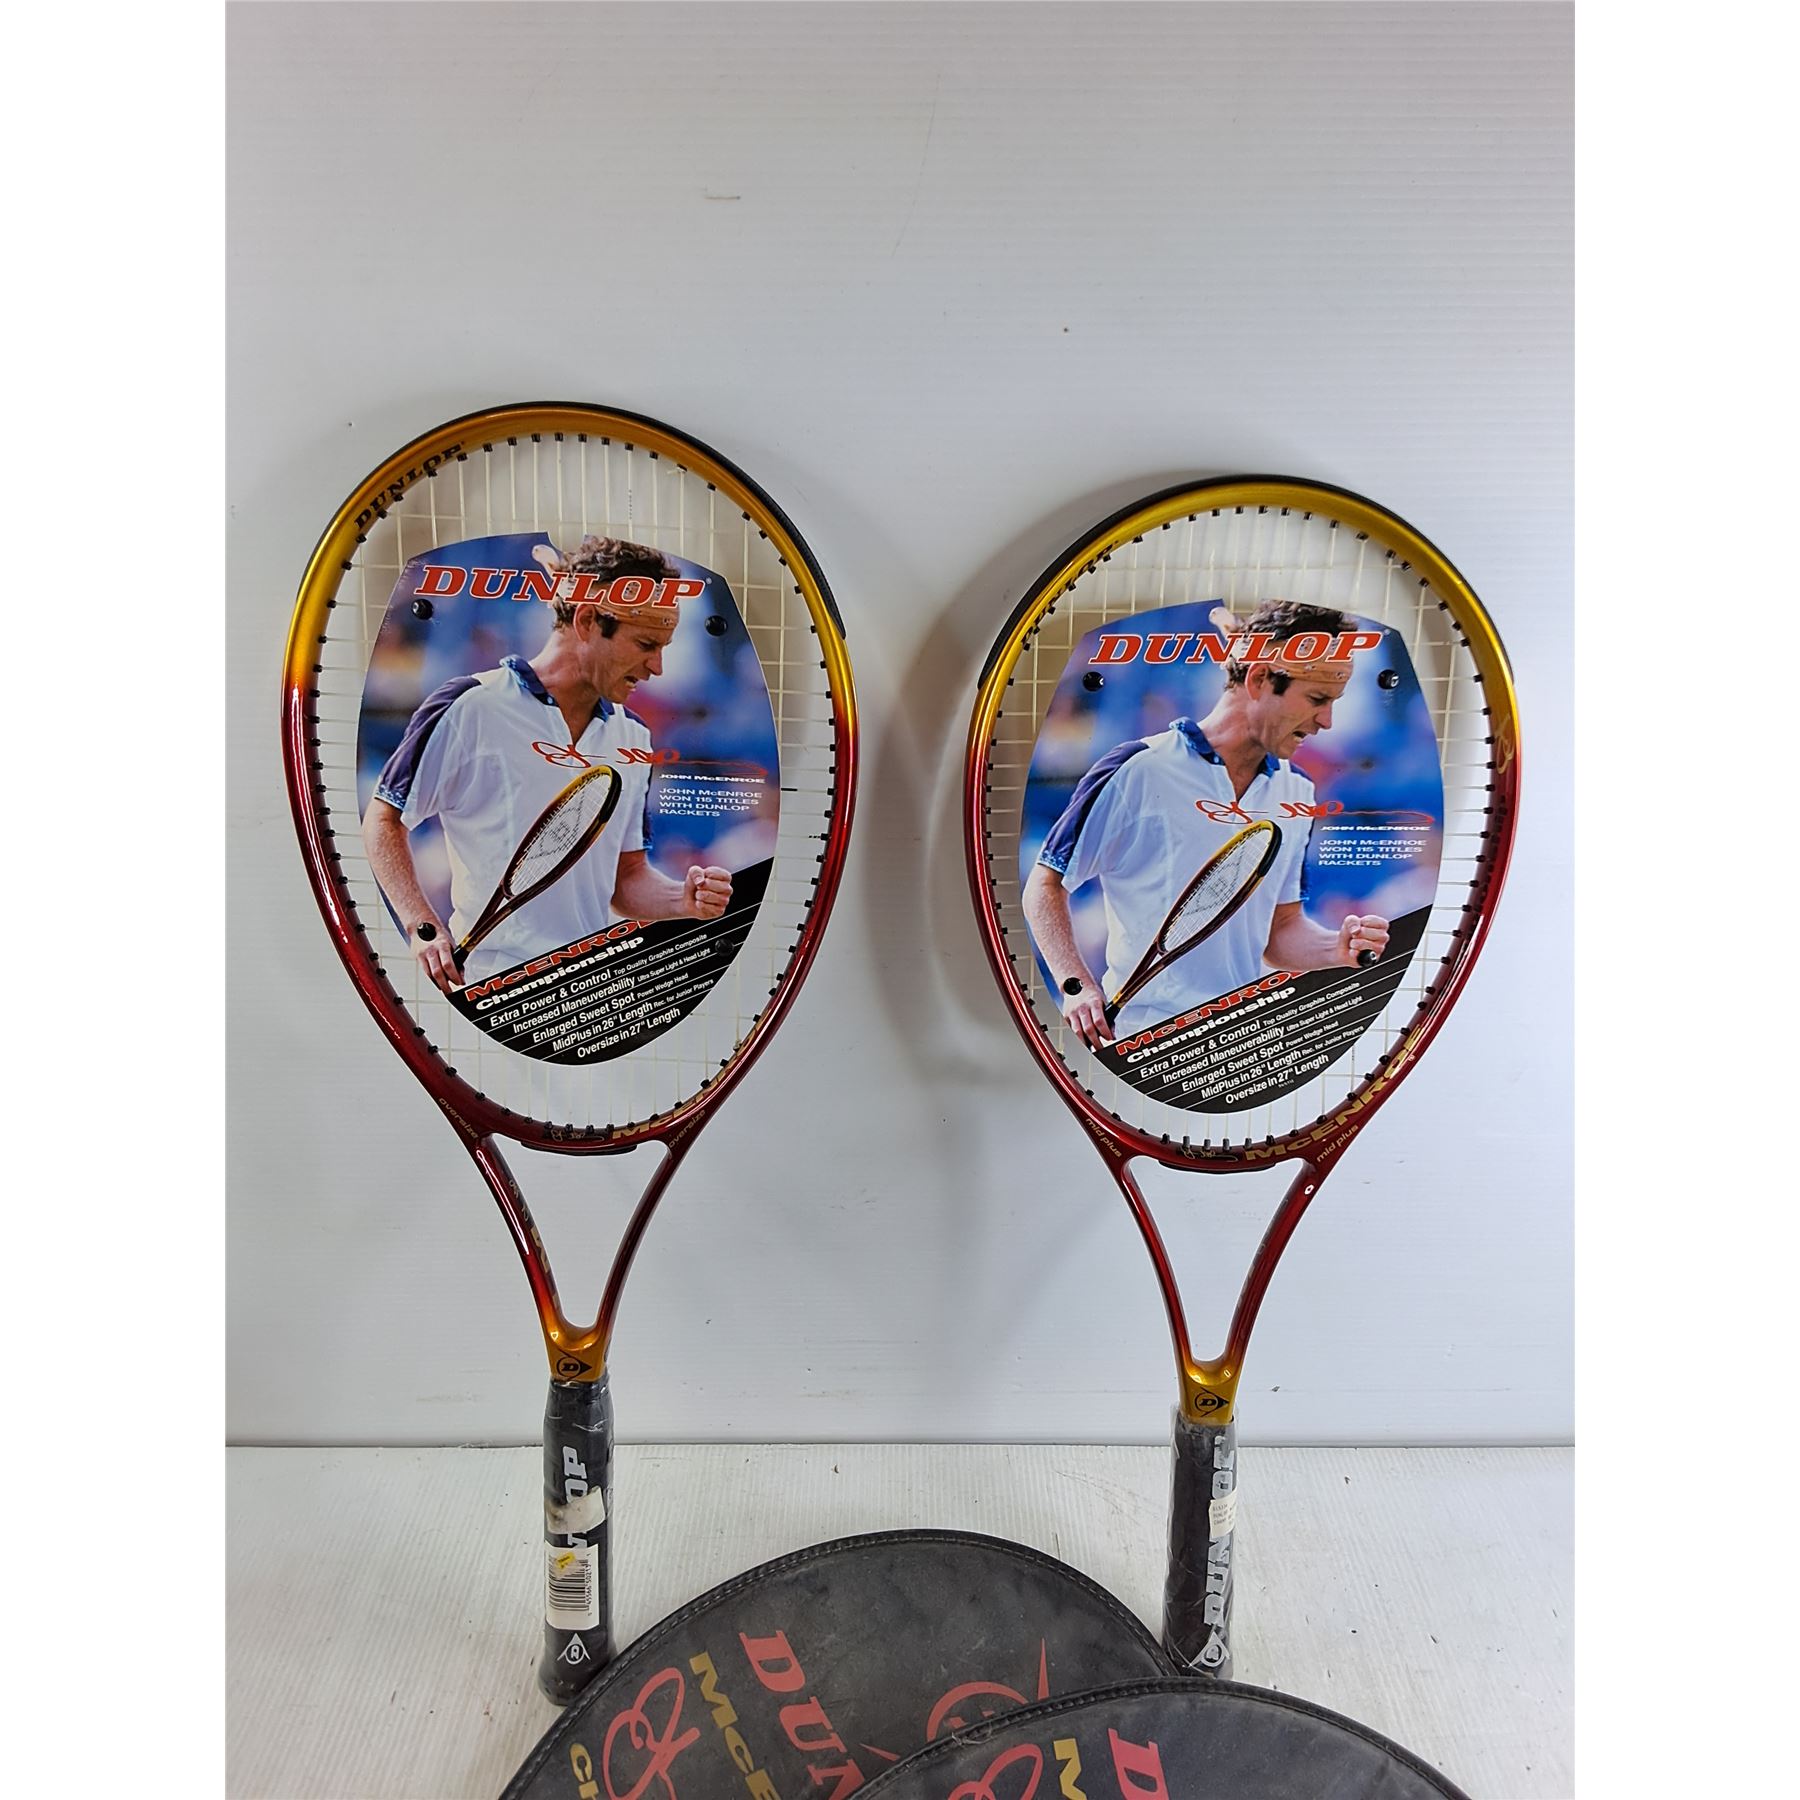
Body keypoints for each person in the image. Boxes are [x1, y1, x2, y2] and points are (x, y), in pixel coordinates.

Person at [363, 534, 733, 994]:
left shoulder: (634, 736)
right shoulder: (470, 706)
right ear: (587, 620)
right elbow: (384, 820)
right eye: (645, 644)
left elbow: (627, 879)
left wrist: (683, 899)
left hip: (591, 992)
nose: (657, 667)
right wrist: (422, 927)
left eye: (663, 647)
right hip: (492, 988)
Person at [1022, 600, 1390, 1047]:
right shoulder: (1139, 768)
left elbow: (1281, 930)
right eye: (1317, 699)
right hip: (1146, 1042)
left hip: (1239, 1046)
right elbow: (1045, 886)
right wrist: (1075, 986)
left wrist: (1336, 947)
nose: (1327, 721)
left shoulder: (1297, 790)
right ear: (1259, 679)